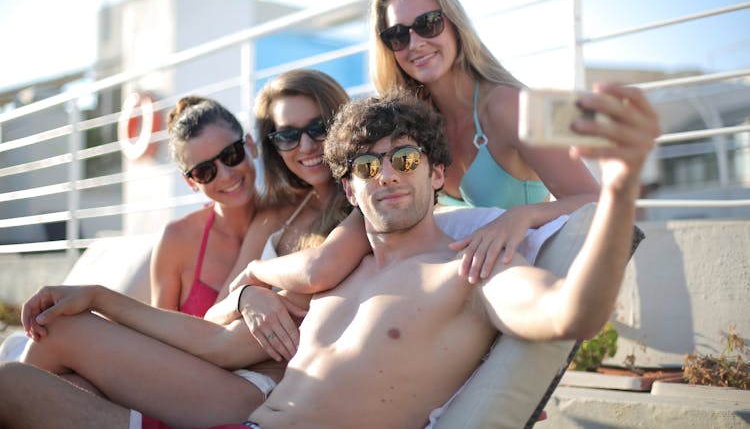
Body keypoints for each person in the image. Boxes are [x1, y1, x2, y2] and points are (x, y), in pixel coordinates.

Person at [0, 82, 660, 428]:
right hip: (235, 423)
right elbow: (220, 347)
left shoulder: (472, 265)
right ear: (349, 187)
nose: (387, 176)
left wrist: (623, 188)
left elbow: (570, 314)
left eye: (405, 159)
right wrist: (99, 300)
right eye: (368, 167)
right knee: (13, 385)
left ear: (435, 173)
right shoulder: (340, 273)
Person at [2, 69, 352, 427]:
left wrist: (98, 297)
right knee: (45, 383)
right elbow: (219, 314)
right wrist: (246, 294)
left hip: (255, 393)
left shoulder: (352, 222)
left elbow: (223, 345)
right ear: (272, 142)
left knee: (52, 340)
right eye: (288, 135)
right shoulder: (282, 214)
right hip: (217, 375)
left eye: (318, 128)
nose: (306, 146)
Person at [369, 0, 602, 282]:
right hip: (458, 288)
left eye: (428, 24)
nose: (415, 43)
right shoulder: (412, 124)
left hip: (530, 285)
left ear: (455, 26)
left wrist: (523, 216)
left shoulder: (513, 105)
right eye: (398, 35)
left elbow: (597, 201)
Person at [151, 96, 260, 317]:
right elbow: (159, 336)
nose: (226, 176)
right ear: (190, 181)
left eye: (231, 155)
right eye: (205, 171)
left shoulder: (290, 217)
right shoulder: (176, 239)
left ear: (250, 145)